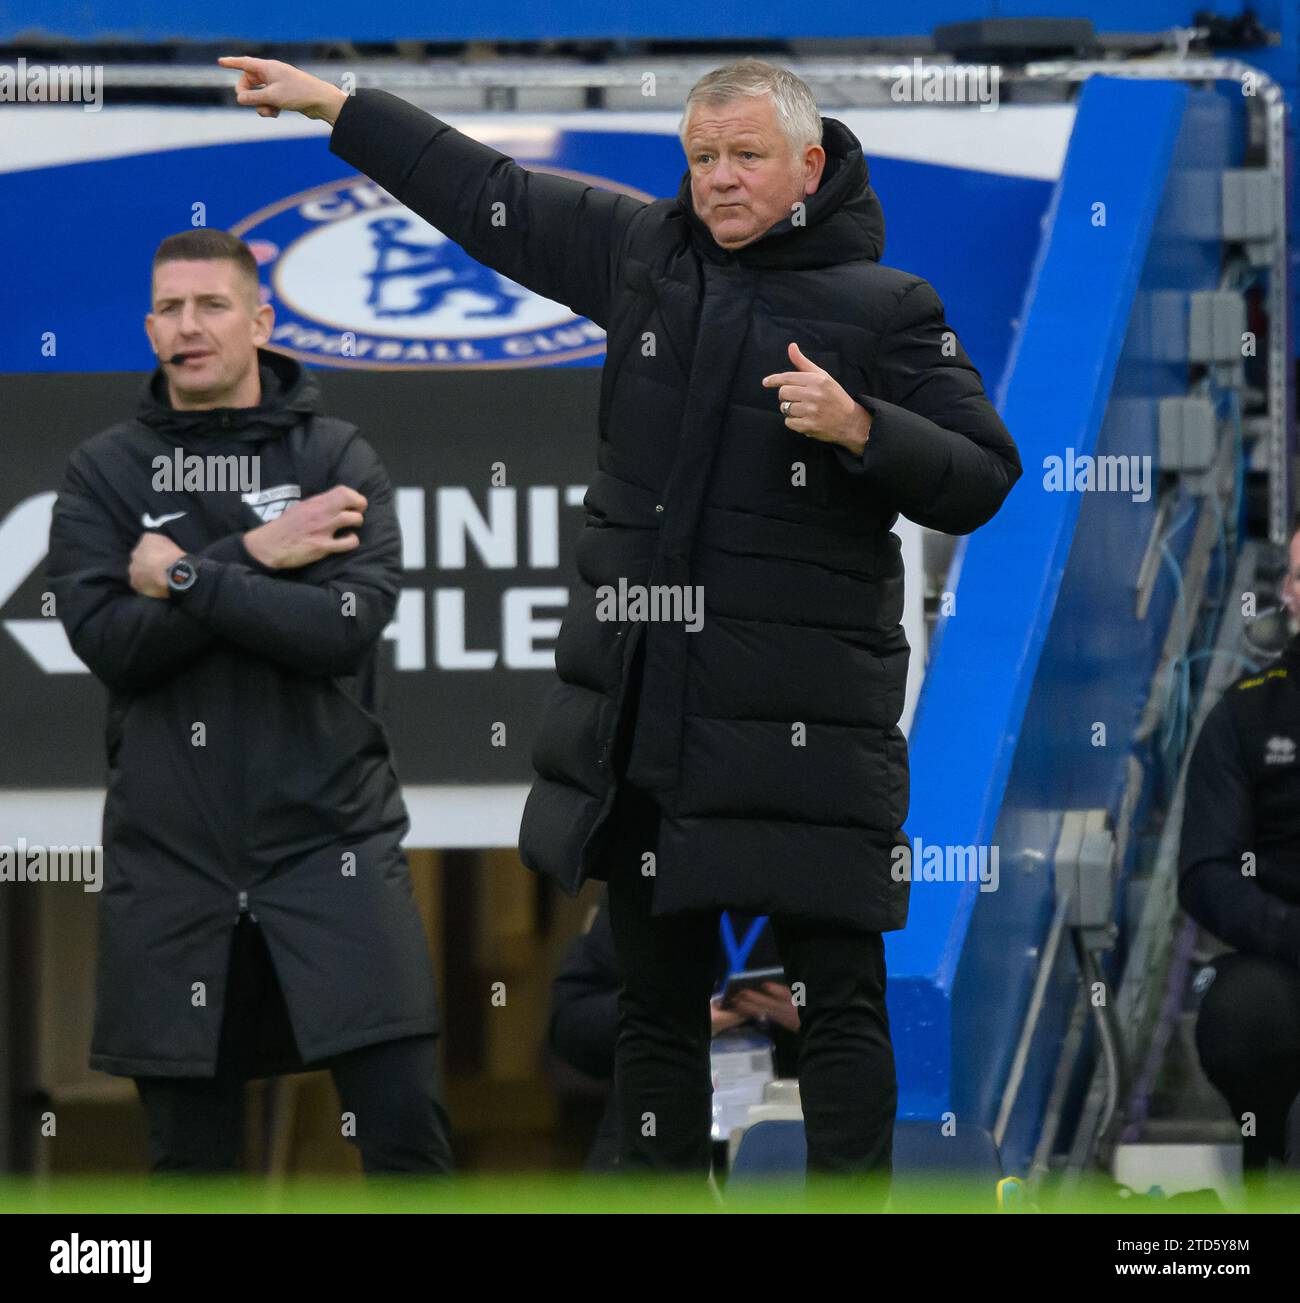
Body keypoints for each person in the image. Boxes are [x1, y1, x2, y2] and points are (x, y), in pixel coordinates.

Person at [219, 54, 1021, 1194]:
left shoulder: (892, 311)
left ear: (811, 164)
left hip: (810, 733)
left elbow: (986, 475)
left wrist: (861, 427)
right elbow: (484, 192)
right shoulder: (644, 256)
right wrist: (343, 109)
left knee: (839, 1003)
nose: (720, 180)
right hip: (652, 727)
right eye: (701, 158)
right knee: (654, 1014)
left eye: (745, 157)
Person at [46, 229, 453, 1175]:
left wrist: (183, 575)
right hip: (172, 867)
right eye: (171, 309)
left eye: (213, 305)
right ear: (149, 327)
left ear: (261, 320)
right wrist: (255, 557)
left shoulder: (334, 454)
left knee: (405, 1140)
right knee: (192, 1170)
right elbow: (111, 644)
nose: (190, 326)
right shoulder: (105, 471)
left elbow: (341, 628)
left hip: (332, 850)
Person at [1178, 517, 1300, 1186]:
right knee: (1241, 1010)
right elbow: (1205, 871)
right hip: (1285, 959)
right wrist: (1286, 930)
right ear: (1289, 591)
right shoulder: (1246, 714)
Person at [548, 891, 798, 1171]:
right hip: (653, 1141)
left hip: (793, 1146)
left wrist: (819, 1018)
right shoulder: (648, 892)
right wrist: (669, 1018)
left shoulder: (820, 894)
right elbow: (570, 1025)